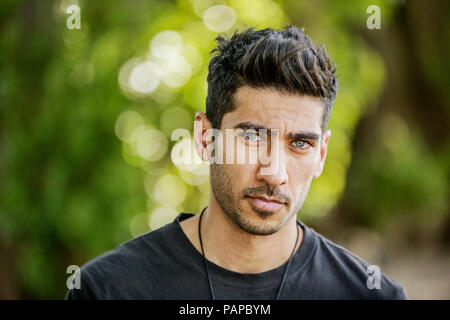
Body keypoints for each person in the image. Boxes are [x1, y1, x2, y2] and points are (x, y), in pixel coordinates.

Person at [65, 26, 408, 300]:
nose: (274, 172)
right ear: (205, 138)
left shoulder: (371, 295)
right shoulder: (109, 290)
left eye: (300, 143)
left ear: (321, 154)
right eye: (252, 136)